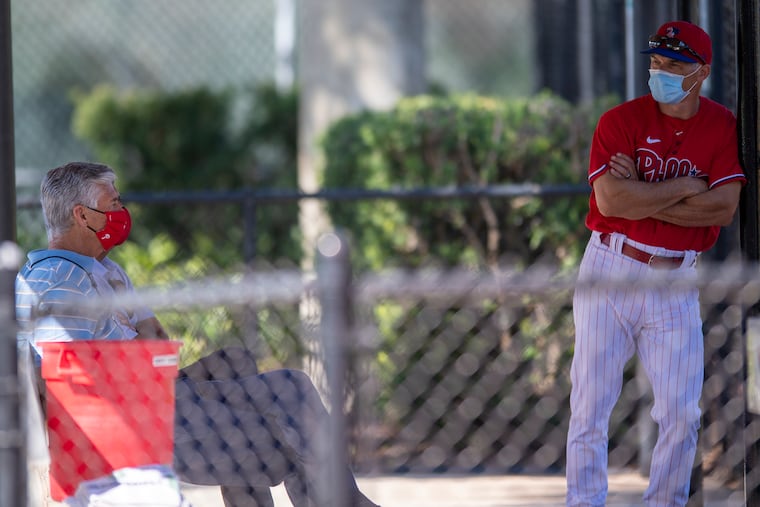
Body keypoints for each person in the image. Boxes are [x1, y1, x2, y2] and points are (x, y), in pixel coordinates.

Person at [15, 161, 379, 507]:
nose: (122, 212)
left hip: (149, 386)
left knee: (235, 362)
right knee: (291, 392)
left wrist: (139, 353)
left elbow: (157, 340)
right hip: (128, 413)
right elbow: (70, 380)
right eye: (113, 203)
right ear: (82, 215)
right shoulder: (58, 278)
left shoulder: (106, 271)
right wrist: (138, 355)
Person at [565, 20, 746, 507]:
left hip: (675, 276)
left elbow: (723, 208)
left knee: (682, 412)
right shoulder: (620, 121)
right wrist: (688, 188)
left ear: (701, 71)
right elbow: (608, 201)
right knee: (589, 405)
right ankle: (583, 502)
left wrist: (640, 197)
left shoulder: (722, 126)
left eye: (674, 64)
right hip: (610, 267)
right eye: (656, 61)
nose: (660, 71)